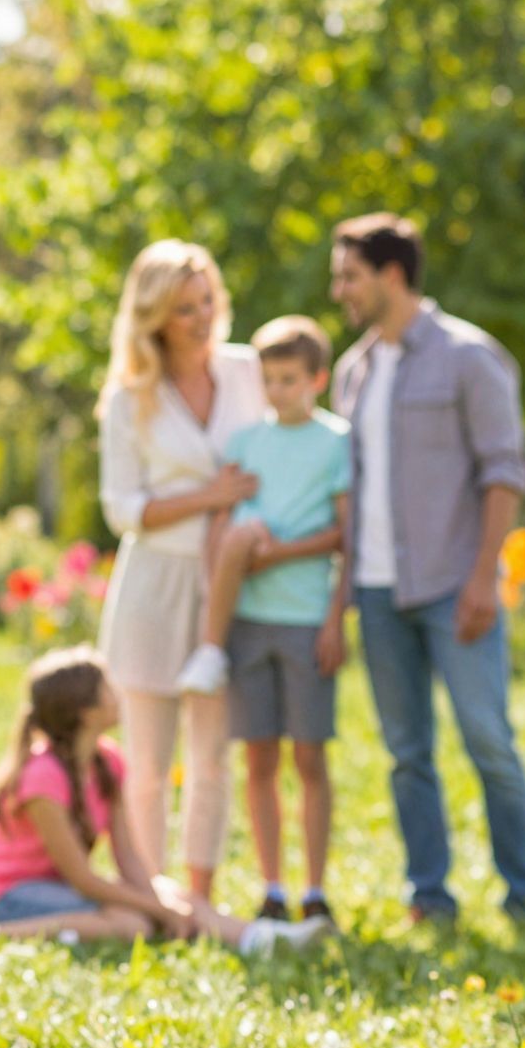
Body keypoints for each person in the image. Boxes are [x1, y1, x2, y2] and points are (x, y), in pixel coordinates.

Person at [327, 212, 525, 924]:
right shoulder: (352, 371)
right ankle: (430, 894)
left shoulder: (468, 357)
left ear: (392, 274)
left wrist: (484, 576)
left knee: (486, 737)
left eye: (349, 276)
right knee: (405, 752)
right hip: (379, 588)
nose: (339, 292)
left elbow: (505, 473)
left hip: (456, 586)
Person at [94, 239, 266, 900]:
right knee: (146, 761)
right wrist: (209, 497)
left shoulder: (248, 372)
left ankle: (199, 892)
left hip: (226, 581)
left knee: (212, 754)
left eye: (208, 301)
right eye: (186, 307)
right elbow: (122, 508)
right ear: (155, 317)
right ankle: (147, 892)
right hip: (152, 586)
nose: (203, 316)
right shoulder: (129, 398)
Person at [0, 647, 330, 954]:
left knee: (175, 895)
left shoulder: (106, 761)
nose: (117, 692)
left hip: (58, 887)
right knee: (134, 922)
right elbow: (81, 876)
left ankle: (261, 939)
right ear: (85, 711)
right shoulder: (43, 777)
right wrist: (156, 908)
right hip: (10, 894)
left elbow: (128, 857)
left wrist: (162, 900)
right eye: (107, 687)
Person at [174, 316, 351, 923]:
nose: (279, 391)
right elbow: (224, 525)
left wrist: (334, 619)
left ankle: (316, 889)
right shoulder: (247, 442)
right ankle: (273, 889)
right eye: (270, 380)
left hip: (305, 620)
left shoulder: (337, 442)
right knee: (261, 761)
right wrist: (235, 554)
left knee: (310, 759)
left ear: (318, 380)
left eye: (291, 380)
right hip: (249, 618)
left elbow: (344, 536)